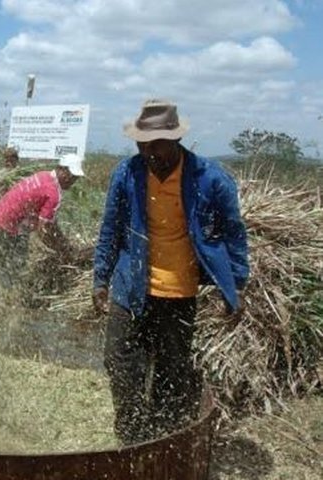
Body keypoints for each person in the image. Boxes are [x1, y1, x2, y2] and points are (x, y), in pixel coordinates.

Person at [92, 99, 249, 444]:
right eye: (142, 144)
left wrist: (235, 286)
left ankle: (161, 436)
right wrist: (100, 278)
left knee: (171, 371)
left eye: (157, 144)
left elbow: (234, 234)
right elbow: (110, 229)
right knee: (119, 361)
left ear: (176, 140)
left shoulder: (211, 180)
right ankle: (133, 435)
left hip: (179, 291)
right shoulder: (127, 173)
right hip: (130, 286)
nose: (149, 152)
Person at [0, 155, 82, 287]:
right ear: (62, 170)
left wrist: (62, 241)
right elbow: (43, 230)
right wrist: (62, 250)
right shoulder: (54, 193)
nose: (72, 181)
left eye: (75, 178)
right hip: (7, 227)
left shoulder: (43, 176)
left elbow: (50, 222)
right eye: (72, 176)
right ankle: (5, 295)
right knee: (13, 268)